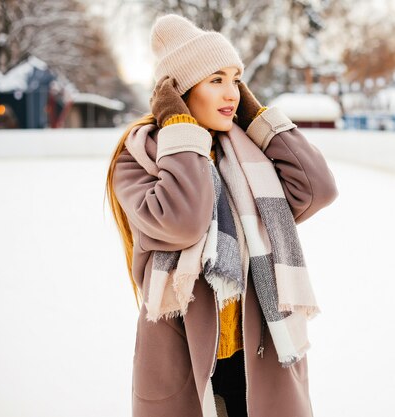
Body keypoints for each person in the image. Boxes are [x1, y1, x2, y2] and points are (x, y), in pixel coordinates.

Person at [105, 14, 338, 417]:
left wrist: (254, 115)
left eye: (236, 79)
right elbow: (184, 221)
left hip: (261, 353)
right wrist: (179, 130)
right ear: (178, 91)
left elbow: (317, 188)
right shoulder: (138, 160)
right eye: (216, 80)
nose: (231, 92)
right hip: (187, 362)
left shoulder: (247, 155)